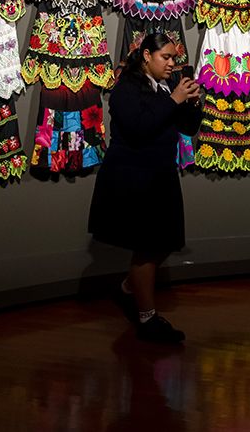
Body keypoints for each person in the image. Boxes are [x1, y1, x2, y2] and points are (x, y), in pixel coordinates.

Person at [88, 32, 202, 343]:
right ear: (147, 56)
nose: (171, 63)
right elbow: (139, 128)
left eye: (174, 58)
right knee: (147, 248)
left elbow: (188, 127)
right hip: (133, 179)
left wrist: (192, 103)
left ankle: (128, 289)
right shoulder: (125, 88)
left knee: (165, 241)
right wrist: (174, 100)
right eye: (165, 57)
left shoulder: (165, 87)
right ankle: (147, 319)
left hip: (160, 176)